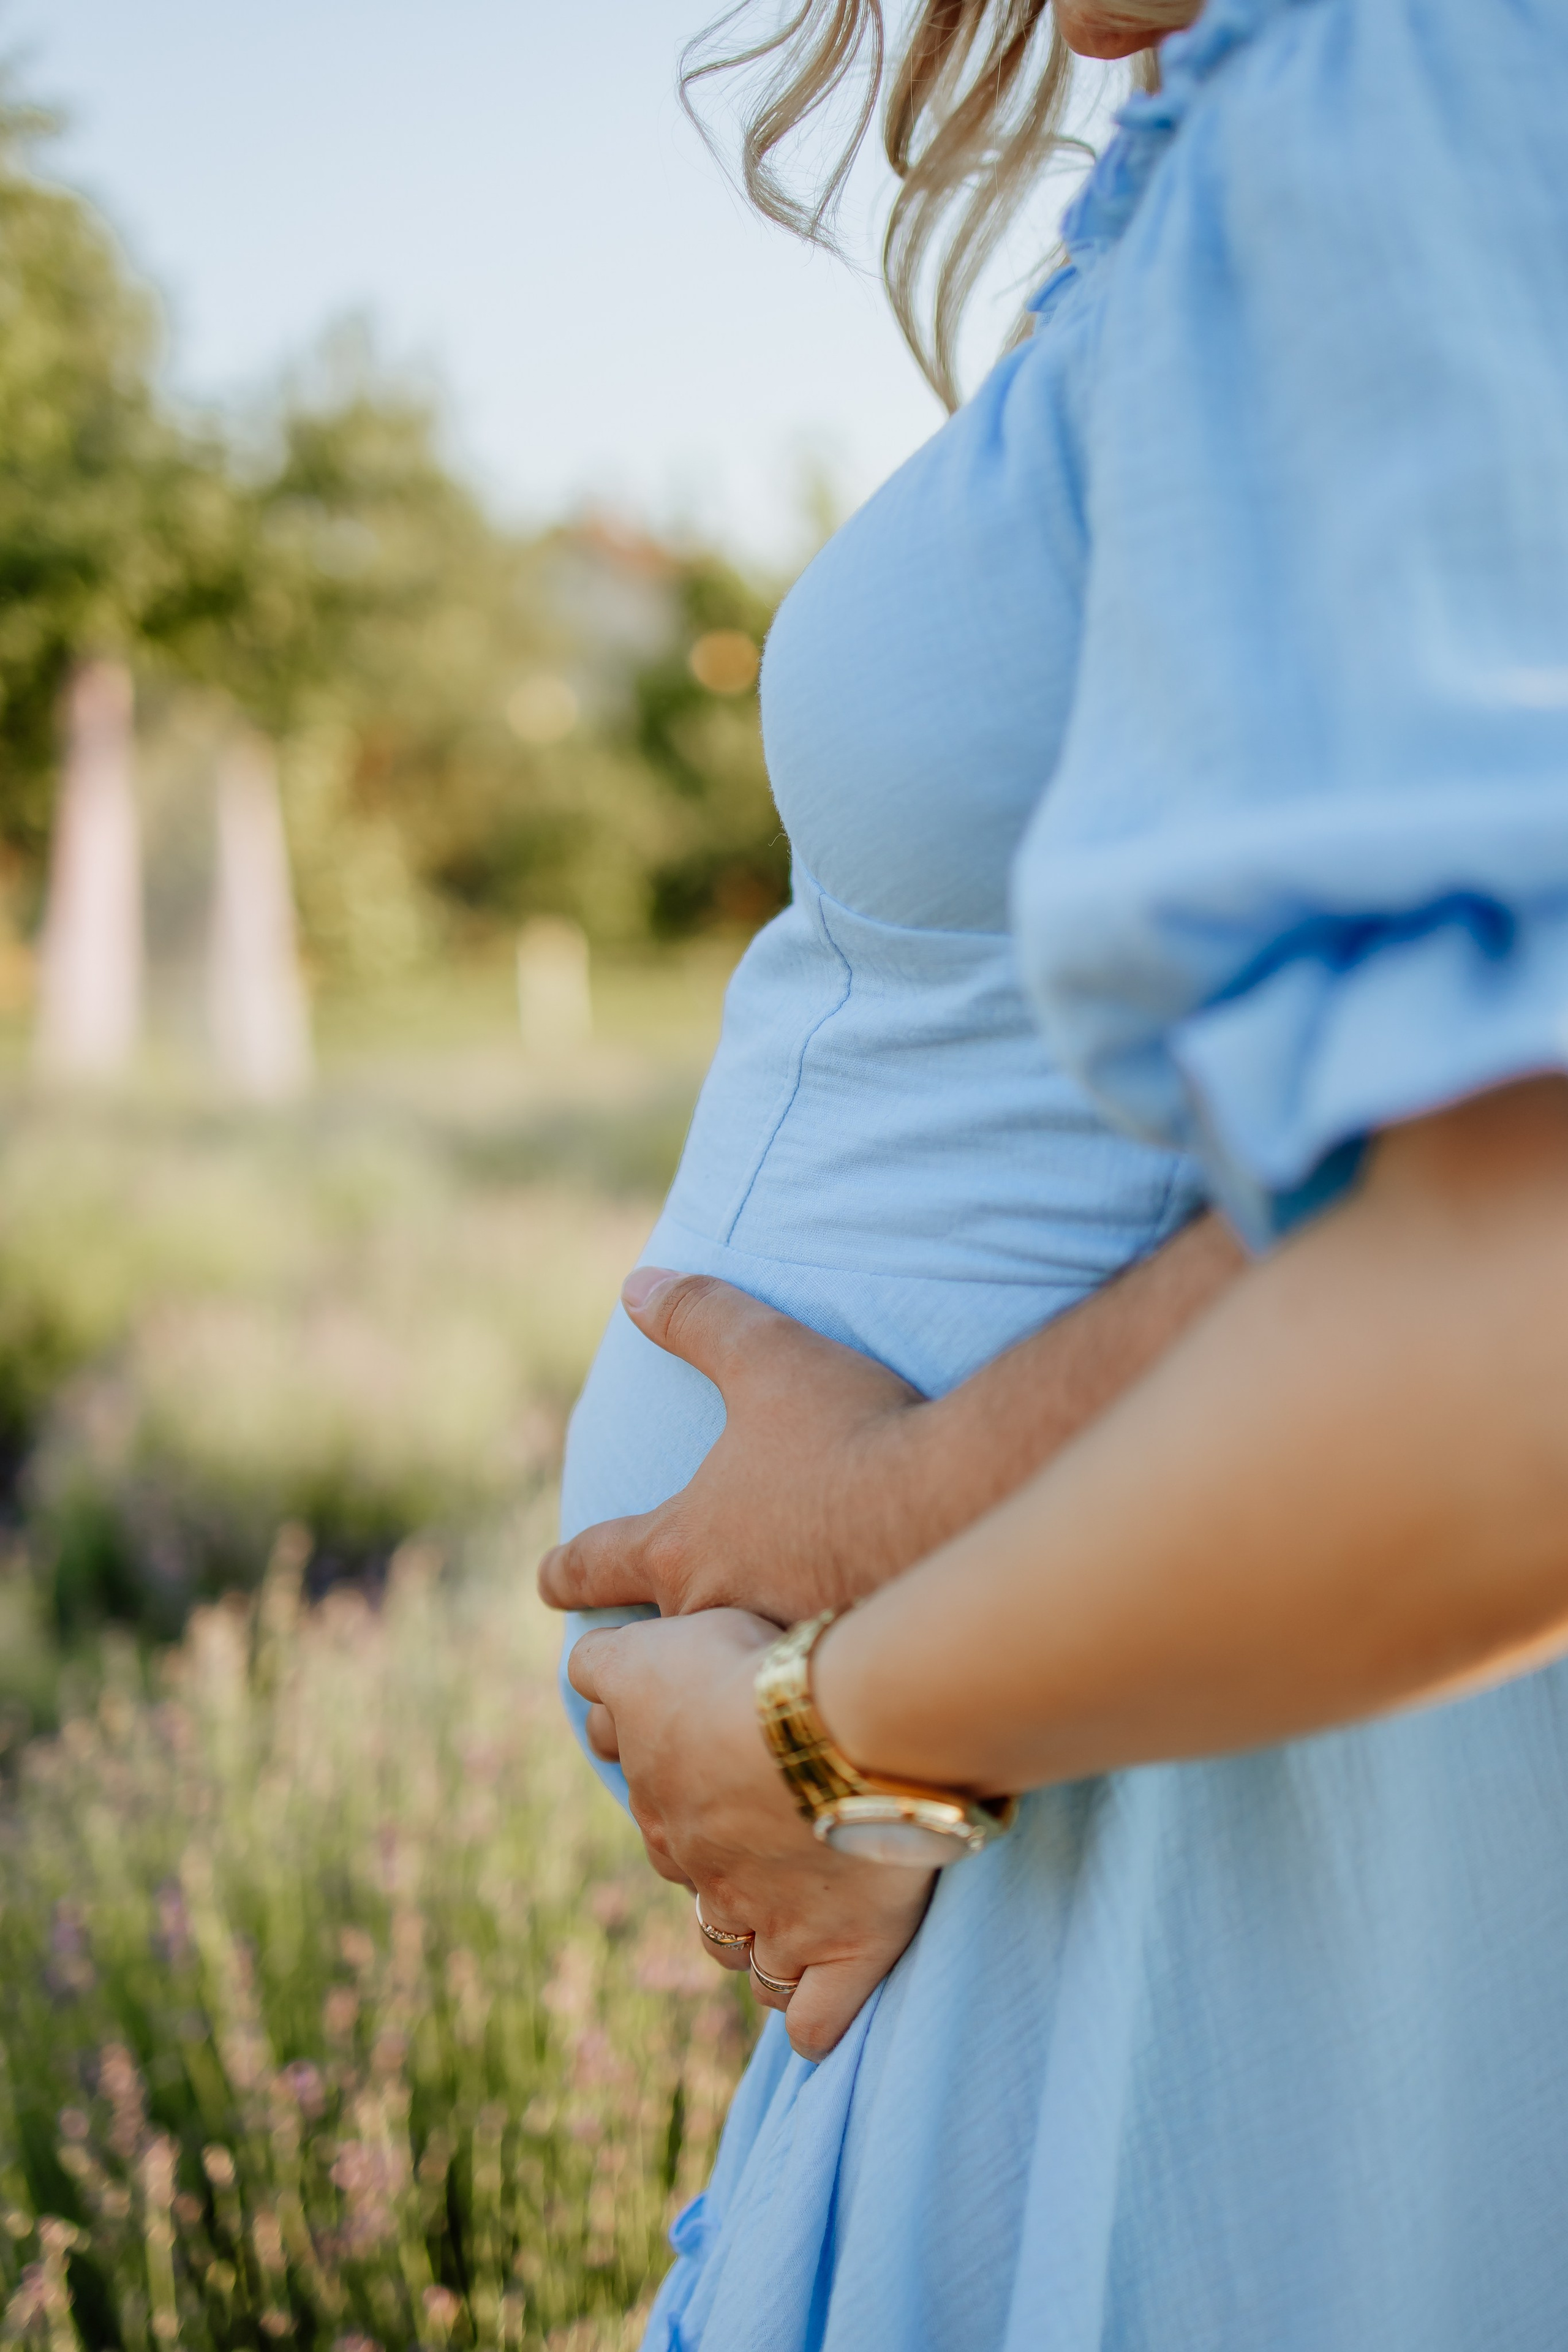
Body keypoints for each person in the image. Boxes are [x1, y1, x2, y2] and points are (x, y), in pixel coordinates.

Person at [542, 0, 1568, 2341]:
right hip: (1104, 1813)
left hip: (1239, 1903)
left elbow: (1523, 1281)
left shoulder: (1416, 65)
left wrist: (841, 1705)